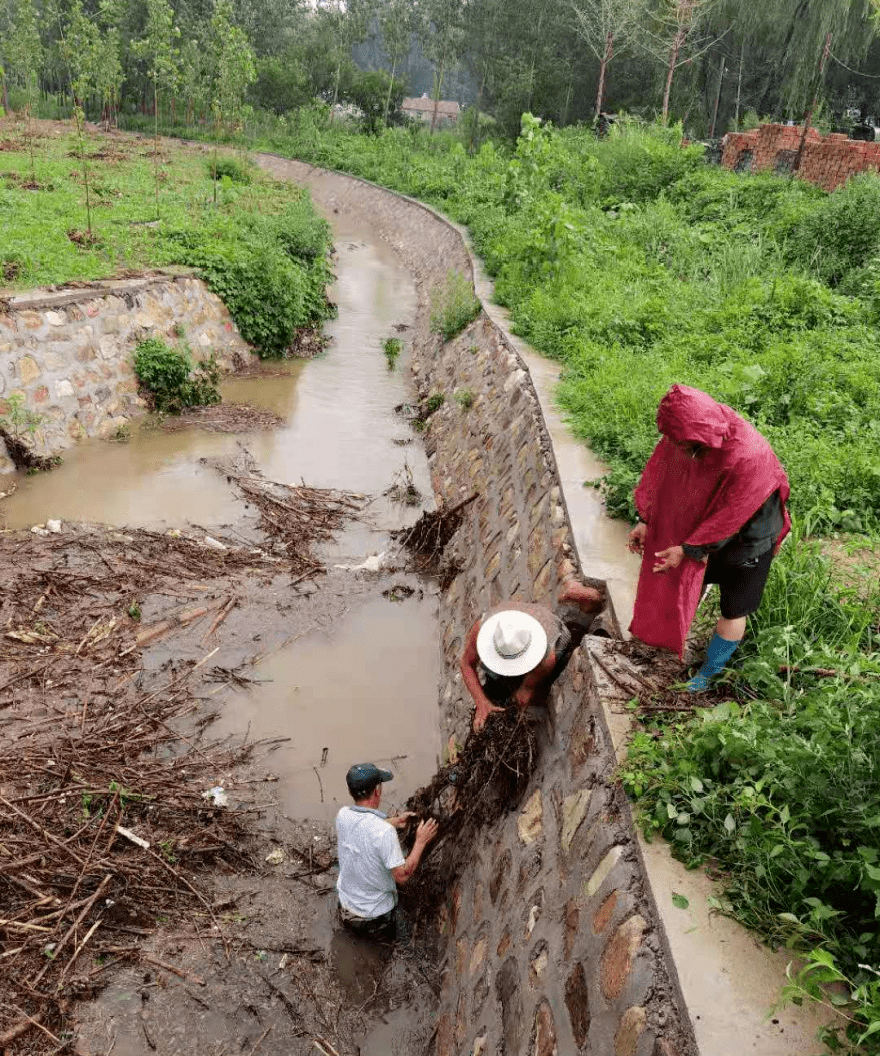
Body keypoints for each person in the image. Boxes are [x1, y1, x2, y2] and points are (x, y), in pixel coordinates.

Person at [627, 384, 790, 691]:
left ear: (704, 439)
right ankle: (668, 640)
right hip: (704, 526)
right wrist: (646, 520)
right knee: (682, 577)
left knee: (734, 607)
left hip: (748, 539)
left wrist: (689, 548)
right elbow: (661, 476)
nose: (682, 451)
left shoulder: (748, 457)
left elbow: (732, 514)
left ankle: (709, 673)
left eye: (689, 448)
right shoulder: (684, 433)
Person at [461, 578, 606, 731]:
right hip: (534, 618)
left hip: (555, 636)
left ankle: (583, 599)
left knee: (547, 683)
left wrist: (521, 697)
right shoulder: (483, 628)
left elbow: (525, 693)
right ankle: (578, 596)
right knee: (494, 682)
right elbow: (466, 664)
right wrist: (481, 702)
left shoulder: (547, 655)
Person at [335, 763, 438, 936]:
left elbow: (363, 827)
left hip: (345, 908)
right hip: (374, 919)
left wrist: (395, 821)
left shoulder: (343, 815)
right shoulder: (384, 833)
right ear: (377, 791)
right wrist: (420, 842)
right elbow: (402, 877)